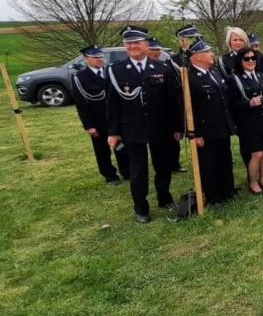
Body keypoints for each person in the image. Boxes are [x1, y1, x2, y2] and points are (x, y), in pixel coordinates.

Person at [106, 26, 183, 224]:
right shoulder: (116, 71)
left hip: (160, 127)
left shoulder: (161, 69)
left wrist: (176, 127)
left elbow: (171, 102)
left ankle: (164, 198)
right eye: (129, 43)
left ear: (146, 45)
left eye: (137, 42)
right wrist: (113, 132)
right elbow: (112, 104)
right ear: (125, 46)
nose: (133, 46)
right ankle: (141, 207)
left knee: (163, 166)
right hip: (132, 129)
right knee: (138, 170)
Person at [186, 39, 237, 206]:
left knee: (225, 159)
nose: (212, 54)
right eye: (208, 52)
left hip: (222, 125)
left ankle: (227, 190)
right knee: (209, 163)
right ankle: (213, 195)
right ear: (197, 56)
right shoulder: (190, 77)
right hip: (206, 129)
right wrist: (195, 134)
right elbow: (188, 109)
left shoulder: (214, 71)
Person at [71, 45, 129, 185]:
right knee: (102, 150)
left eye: (101, 57)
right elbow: (81, 104)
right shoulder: (80, 77)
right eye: (95, 57)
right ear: (86, 59)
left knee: (121, 146)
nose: (99, 60)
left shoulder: (110, 72)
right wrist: (89, 125)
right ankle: (110, 175)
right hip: (98, 119)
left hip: (115, 118)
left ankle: (127, 171)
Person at [229, 47, 263, 194]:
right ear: (240, 61)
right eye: (247, 59)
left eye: (253, 58)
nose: (251, 61)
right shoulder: (234, 79)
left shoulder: (262, 76)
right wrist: (248, 103)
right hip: (248, 122)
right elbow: (231, 103)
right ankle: (253, 182)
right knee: (256, 154)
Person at [149, 36, 186, 173]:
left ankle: (174, 164)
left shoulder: (166, 65)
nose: (156, 52)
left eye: (158, 49)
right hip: (154, 113)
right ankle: (162, 167)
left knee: (174, 139)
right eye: (152, 49)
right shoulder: (145, 68)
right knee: (158, 145)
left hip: (169, 109)